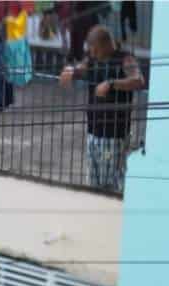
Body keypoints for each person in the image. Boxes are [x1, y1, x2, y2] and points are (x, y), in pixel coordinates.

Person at [58, 24, 145, 192]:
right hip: (93, 132)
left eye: (95, 50)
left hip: (114, 135)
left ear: (106, 45)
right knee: (93, 182)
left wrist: (112, 84)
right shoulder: (92, 59)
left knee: (113, 182)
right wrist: (71, 72)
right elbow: (80, 69)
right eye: (90, 50)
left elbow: (138, 80)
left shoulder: (125, 59)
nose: (92, 54)